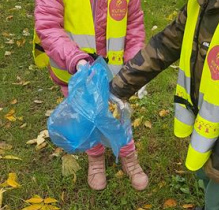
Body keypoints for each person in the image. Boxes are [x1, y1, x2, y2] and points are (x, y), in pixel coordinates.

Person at [110, 0, 219, 208]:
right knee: (209, 186)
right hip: (209, 128)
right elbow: (166, 44)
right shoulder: (201, 5)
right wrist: (117, 87)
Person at [34, 0, 148, 191]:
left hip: (114, 71)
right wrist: (75, 59)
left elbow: (134, 25)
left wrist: (136, 67)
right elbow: (48, 25)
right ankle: (95, 157)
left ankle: (128, 155)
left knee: (118, 115)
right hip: (76, 71)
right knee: (85, 117)